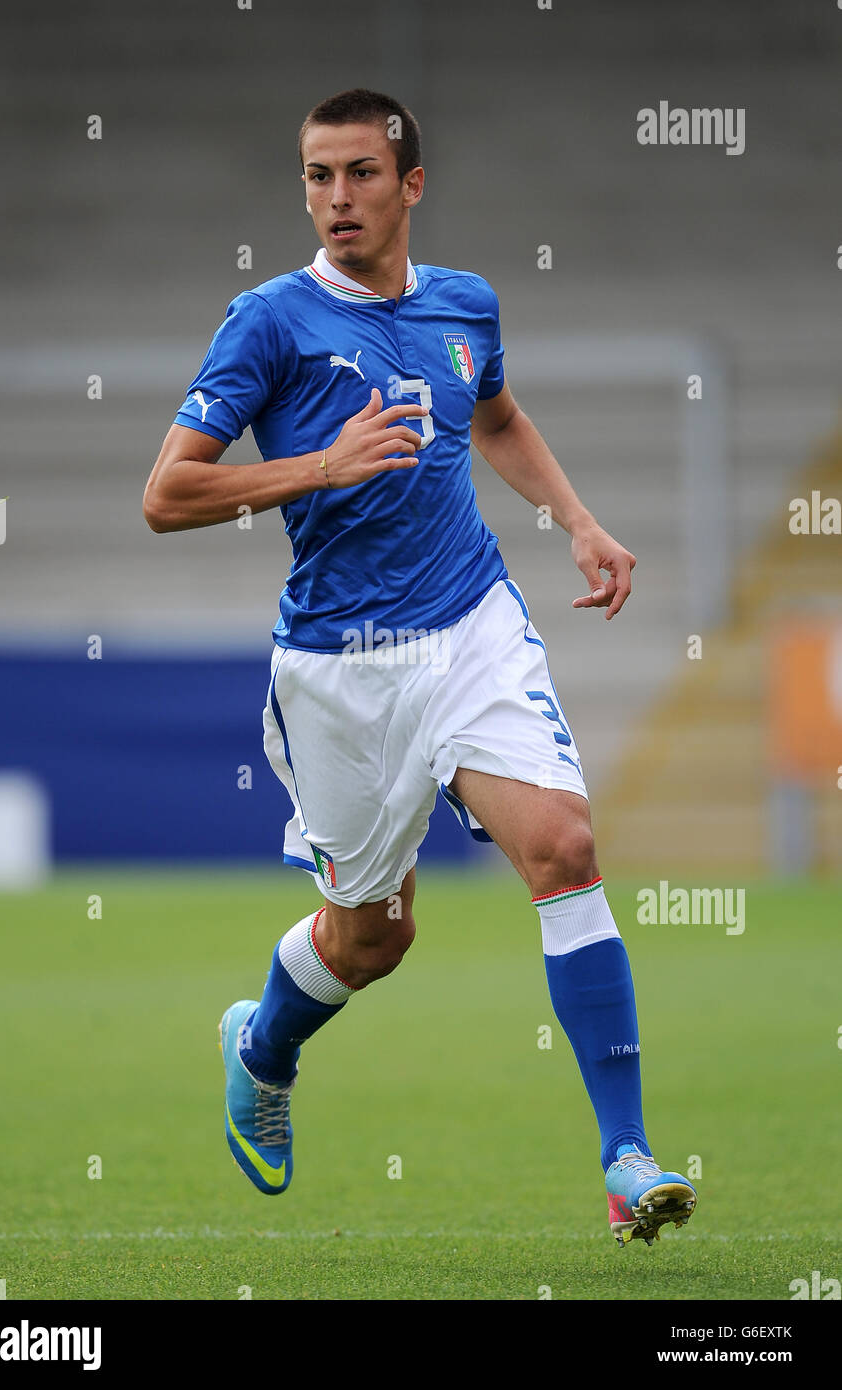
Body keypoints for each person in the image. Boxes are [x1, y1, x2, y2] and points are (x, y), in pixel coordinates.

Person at [143, 87, 697, 1248]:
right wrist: (320, 467)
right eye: (315, 177)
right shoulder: (269, 321)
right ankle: (263, 1044)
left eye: (357, 174)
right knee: (372, 936)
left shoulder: (465, 304)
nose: (335, 197)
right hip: (341, 671)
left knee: (564, 846)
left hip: (469, 625)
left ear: (410, 185)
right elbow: (168, 494)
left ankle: (625, 1153)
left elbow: (492, 416)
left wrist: (579, 524)